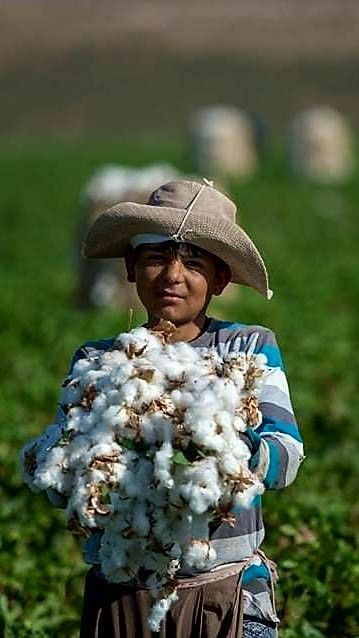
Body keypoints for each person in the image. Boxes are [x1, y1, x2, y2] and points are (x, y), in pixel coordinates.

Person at [56, 179, 305, 637]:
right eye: (156, 257)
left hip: (225, 594)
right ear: (130, 267)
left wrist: (221, 452)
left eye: (193, 262)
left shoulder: (248, 349)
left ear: (221, 278)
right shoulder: (98, 364)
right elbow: (63, 478)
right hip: (122, 596)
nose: (173, 275)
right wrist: (88, 467)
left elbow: (285, 454)